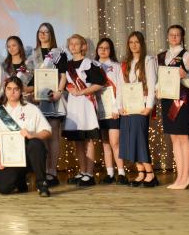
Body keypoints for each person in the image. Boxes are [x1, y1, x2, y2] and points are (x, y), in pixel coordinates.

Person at [0, 76, 53, 197]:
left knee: (36, 143)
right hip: (10, 157)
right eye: (9, 88)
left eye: (16, 89)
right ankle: (20, 179)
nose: (12, 92)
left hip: (30, 155)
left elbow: (47, 131)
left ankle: (42, 183)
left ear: (21, 90)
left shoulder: (31, 109)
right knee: (4, 189)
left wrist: (33, 135)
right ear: (5, 90)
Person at [63, 34, 105, 187]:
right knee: (78, 141)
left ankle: (90, 173)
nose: (73, 46)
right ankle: (82, 171)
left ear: (83, 46)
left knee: (88, 139)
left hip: (86, 104)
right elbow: (65, 83)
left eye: (77, 43)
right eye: (71, 44)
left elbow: (100, 83)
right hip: (74, 105)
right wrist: (69, 88)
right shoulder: (67, 65)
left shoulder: (89, 64)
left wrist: (82, 91)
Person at [119, 31, 159, 188]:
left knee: (139, 139)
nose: (134, 45)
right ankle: (141, 173)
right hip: (128, 107)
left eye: (136, 42)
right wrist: (120, 106)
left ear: (141, 44)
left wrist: (149, 106)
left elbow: (152, 83)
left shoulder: (148, 60)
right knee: (130, 140)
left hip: (141, 106)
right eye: (131, 42)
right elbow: (121, 87)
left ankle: (151, 174)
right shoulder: (126, 63)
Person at [29, 22, 67, 186]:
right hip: (38, 100)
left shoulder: (59, 53)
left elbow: (63, 75)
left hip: (53, 99)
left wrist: (59, 91)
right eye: (40, 32)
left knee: (53, 135)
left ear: (51, 34)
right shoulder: (33, 54)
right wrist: (32, 93)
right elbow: (30, 78)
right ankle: (42, 171)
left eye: (46, 32)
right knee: (41, 136)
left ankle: (52, 171)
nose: (43, 34)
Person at [157, 25, 189, 190]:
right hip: (167, 99)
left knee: (183, 137)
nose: (174, 37)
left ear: (182, 37)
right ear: (167, 36)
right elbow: (160, 78)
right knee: (174, 138)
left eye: (177, 35)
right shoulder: (161, 56)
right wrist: (156, 90)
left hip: (181, 99)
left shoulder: (186, 56)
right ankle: (180, 177)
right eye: (171, 34)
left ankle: (186, 176)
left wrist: (185, 76)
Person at [93, 37, 126, 185]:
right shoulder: (92, 65)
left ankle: (122, 173)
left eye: (106, 48)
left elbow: (121, 87)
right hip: (99, 109)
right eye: (101, 48)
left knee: (115, 142)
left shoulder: (116, 66)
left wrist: (117, 107)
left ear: (111, 50)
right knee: (105, 143)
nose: (103, 50)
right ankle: (110, 173)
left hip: (113, 109)